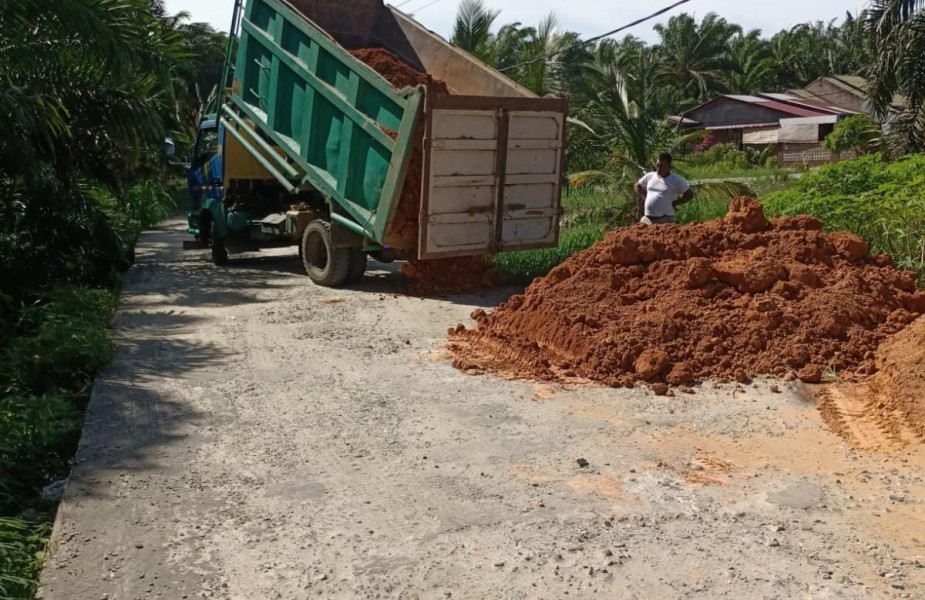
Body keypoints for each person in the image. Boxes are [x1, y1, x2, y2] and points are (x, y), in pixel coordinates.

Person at [634, 153, 693, 225]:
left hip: (665, 219)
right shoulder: (650, 176)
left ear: (669, 166)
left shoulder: (675, 179)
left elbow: (689, 194)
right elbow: (637, 186)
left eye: (662, 166)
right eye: (657, 165)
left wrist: (675, 203)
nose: (659, 168)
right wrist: (643, 197)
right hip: (648, 218)